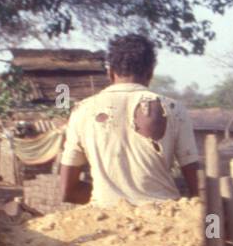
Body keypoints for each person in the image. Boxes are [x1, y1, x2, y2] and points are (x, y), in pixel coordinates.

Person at [59, 33, 200, 206]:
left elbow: (67, 191)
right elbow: (197, 189)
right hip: (164, 219)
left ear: (110, 73)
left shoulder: (82, 111)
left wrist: (113, 200)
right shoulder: (174, 109)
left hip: (105, 217)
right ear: (150, 73)